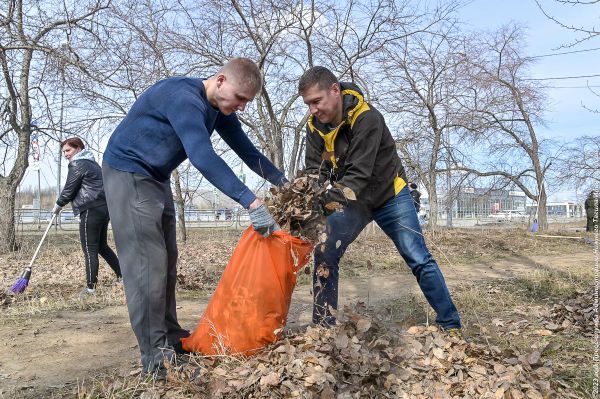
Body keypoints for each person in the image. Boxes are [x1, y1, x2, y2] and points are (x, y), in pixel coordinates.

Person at [102, 58, 285, 377]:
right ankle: (155, 358)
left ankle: (171, 338)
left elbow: (248, 152)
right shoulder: (184, 99)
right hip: (127, 172)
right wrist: (251, 202)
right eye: (240, 98)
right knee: (148, 264)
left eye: (247, 102)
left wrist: (285, 183)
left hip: (155, 176)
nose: (241, 107)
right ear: (221, 80)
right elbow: (202, 156)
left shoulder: (219, 108)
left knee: (167, 261)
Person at [298, 66, 461, 334]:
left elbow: (358, 176)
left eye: (317, 101)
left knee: (417, 257)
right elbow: (316, 170)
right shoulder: (314, 126)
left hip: (390, 195)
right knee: (325, 251)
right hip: (354, 201)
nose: (312, 110)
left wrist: (324, 203)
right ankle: (323, 329)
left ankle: (450, 324)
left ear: (335, 90)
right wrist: (306, 195)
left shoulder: (367, 118)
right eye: (308, 104)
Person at [53, 137, 122, 297]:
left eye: (68, 150)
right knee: (101, 246)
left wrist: (58, 204)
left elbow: (70, 189)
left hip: (90, 208)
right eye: (63, 151)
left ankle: (90, 289)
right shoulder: (92, 163)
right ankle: (123, 275)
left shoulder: (78, 164)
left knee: (89, 248)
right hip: (103, 208)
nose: (65, 154)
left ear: (78, 148)